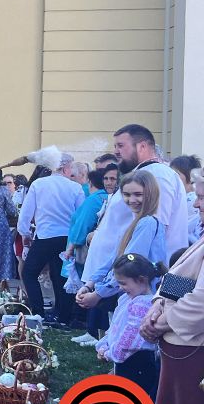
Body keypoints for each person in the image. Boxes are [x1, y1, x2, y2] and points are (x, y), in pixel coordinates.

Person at [78, 124, 190, 312]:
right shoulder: (141, 175)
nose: (116, 152)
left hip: (145, 287)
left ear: (143, 146)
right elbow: (121, 247)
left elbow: (140, 252)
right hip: (125, 281)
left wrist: (100, 291)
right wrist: (93, 282)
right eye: (127, 195)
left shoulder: (157, 177)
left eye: (121, 146)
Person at [141, 169, 204, 404]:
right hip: (181, 339)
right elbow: (181, 276)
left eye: (203, 198)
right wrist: (158, 306)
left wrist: (164, 321)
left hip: (194, 342)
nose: (198, 205)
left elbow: (202, 298)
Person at [17, 153, 84, 324]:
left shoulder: (39, 184)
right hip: (67, 238)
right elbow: (80, 216)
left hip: (45, 235)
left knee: (29, 272)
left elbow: (26, 213)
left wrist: (25, 233)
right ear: (66, 168)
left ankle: (38, 311)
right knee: (61, 276)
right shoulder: (75, 188)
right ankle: (64, 316)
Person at [96, 253, 163, 404]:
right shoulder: (128, 298)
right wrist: (105, 344)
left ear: (142, 280)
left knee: (132, 400)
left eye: (124, 283)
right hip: (125, 359)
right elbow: (116, 327)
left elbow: (130, 338)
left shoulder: (143, 304)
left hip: (137, 362)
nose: (121, 287)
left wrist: (110, 353)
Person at [68, 165, 117, 345]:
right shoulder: (108, 198)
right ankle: (95, 332)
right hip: (101, 253)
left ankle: (102, 337)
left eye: (113, 179)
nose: (109, 182)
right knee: (95, 289)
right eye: (106, 178)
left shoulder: (104, 198)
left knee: (106, 300)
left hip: (110, 255)